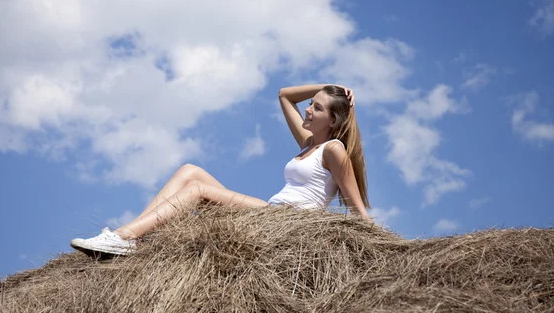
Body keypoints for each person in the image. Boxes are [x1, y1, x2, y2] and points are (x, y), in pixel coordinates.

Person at [70, 84, 373, 256]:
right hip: (270, 210)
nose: (308, 109)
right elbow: (284, 95)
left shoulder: (333, 149)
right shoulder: (309, 142)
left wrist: (384, 247)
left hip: (286, 218)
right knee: (190, 170)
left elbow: (357, 208)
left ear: (333, 122)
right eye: (311, 103)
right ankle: (132, 237)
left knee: (198, 190)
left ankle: (121, 238)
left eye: (318, 108)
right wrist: (327, 87)